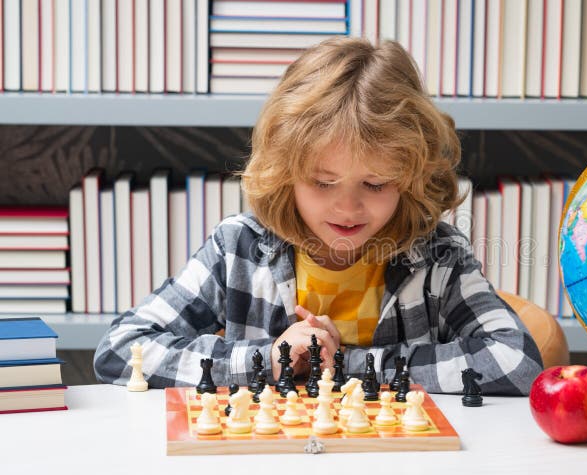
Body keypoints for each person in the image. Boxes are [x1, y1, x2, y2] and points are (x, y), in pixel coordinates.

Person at [93, 37, 542, 395]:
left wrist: (350, 364)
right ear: (285, 173)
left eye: (376, 184)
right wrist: (270, 359)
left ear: (411, 178)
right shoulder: (238, 250)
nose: (347, 208)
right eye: (323, 183)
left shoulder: (437, 255)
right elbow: (119, 349)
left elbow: (516, 362)